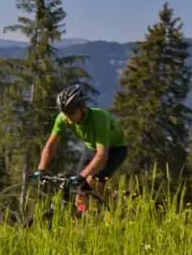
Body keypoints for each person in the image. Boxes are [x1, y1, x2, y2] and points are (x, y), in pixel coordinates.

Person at [35, 84, 128, 212]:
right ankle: (82, 223)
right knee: (80, 189)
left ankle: (119, 211)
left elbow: (102, 155)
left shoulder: (99, 119)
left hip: (115, 149)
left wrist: (83, 176)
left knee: (94, 182)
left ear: (82, 108)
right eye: (65, 113)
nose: (68, 118)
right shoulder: (63, 118)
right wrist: (41, 168)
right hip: (91, 148)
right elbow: (51, 145)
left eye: (71, 113)